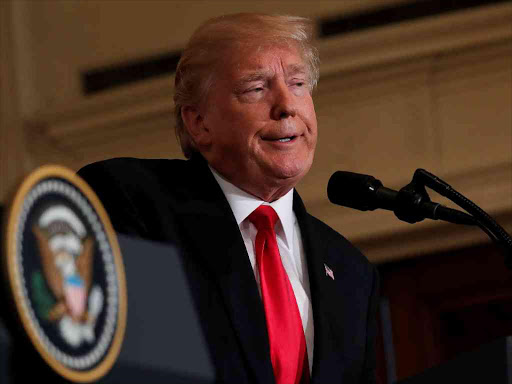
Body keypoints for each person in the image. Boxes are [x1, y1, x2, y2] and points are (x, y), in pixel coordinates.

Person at [78, 13, 379, 384]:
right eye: (256, 89)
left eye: (298, 83)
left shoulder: (351, 272)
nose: (287, 105)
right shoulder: (131, 201)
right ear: (199, 123)